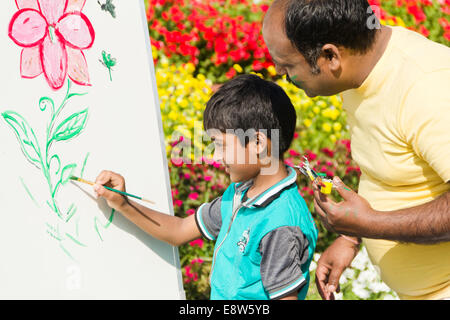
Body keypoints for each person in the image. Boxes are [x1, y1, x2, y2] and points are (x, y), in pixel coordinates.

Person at [263, 0, 450, 300]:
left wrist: (372, 224)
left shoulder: (429, 88)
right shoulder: (360, 68)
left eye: (287, 65)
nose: (279, 72)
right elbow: (389, 166)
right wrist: (352, 237)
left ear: (330, 56)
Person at [93, 74, 318, 300]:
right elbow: (179, 230)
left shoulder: (280, 224)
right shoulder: (240, 193)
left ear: (258, 143)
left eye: (221, 146)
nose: (217, 157)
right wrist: (123, 203)